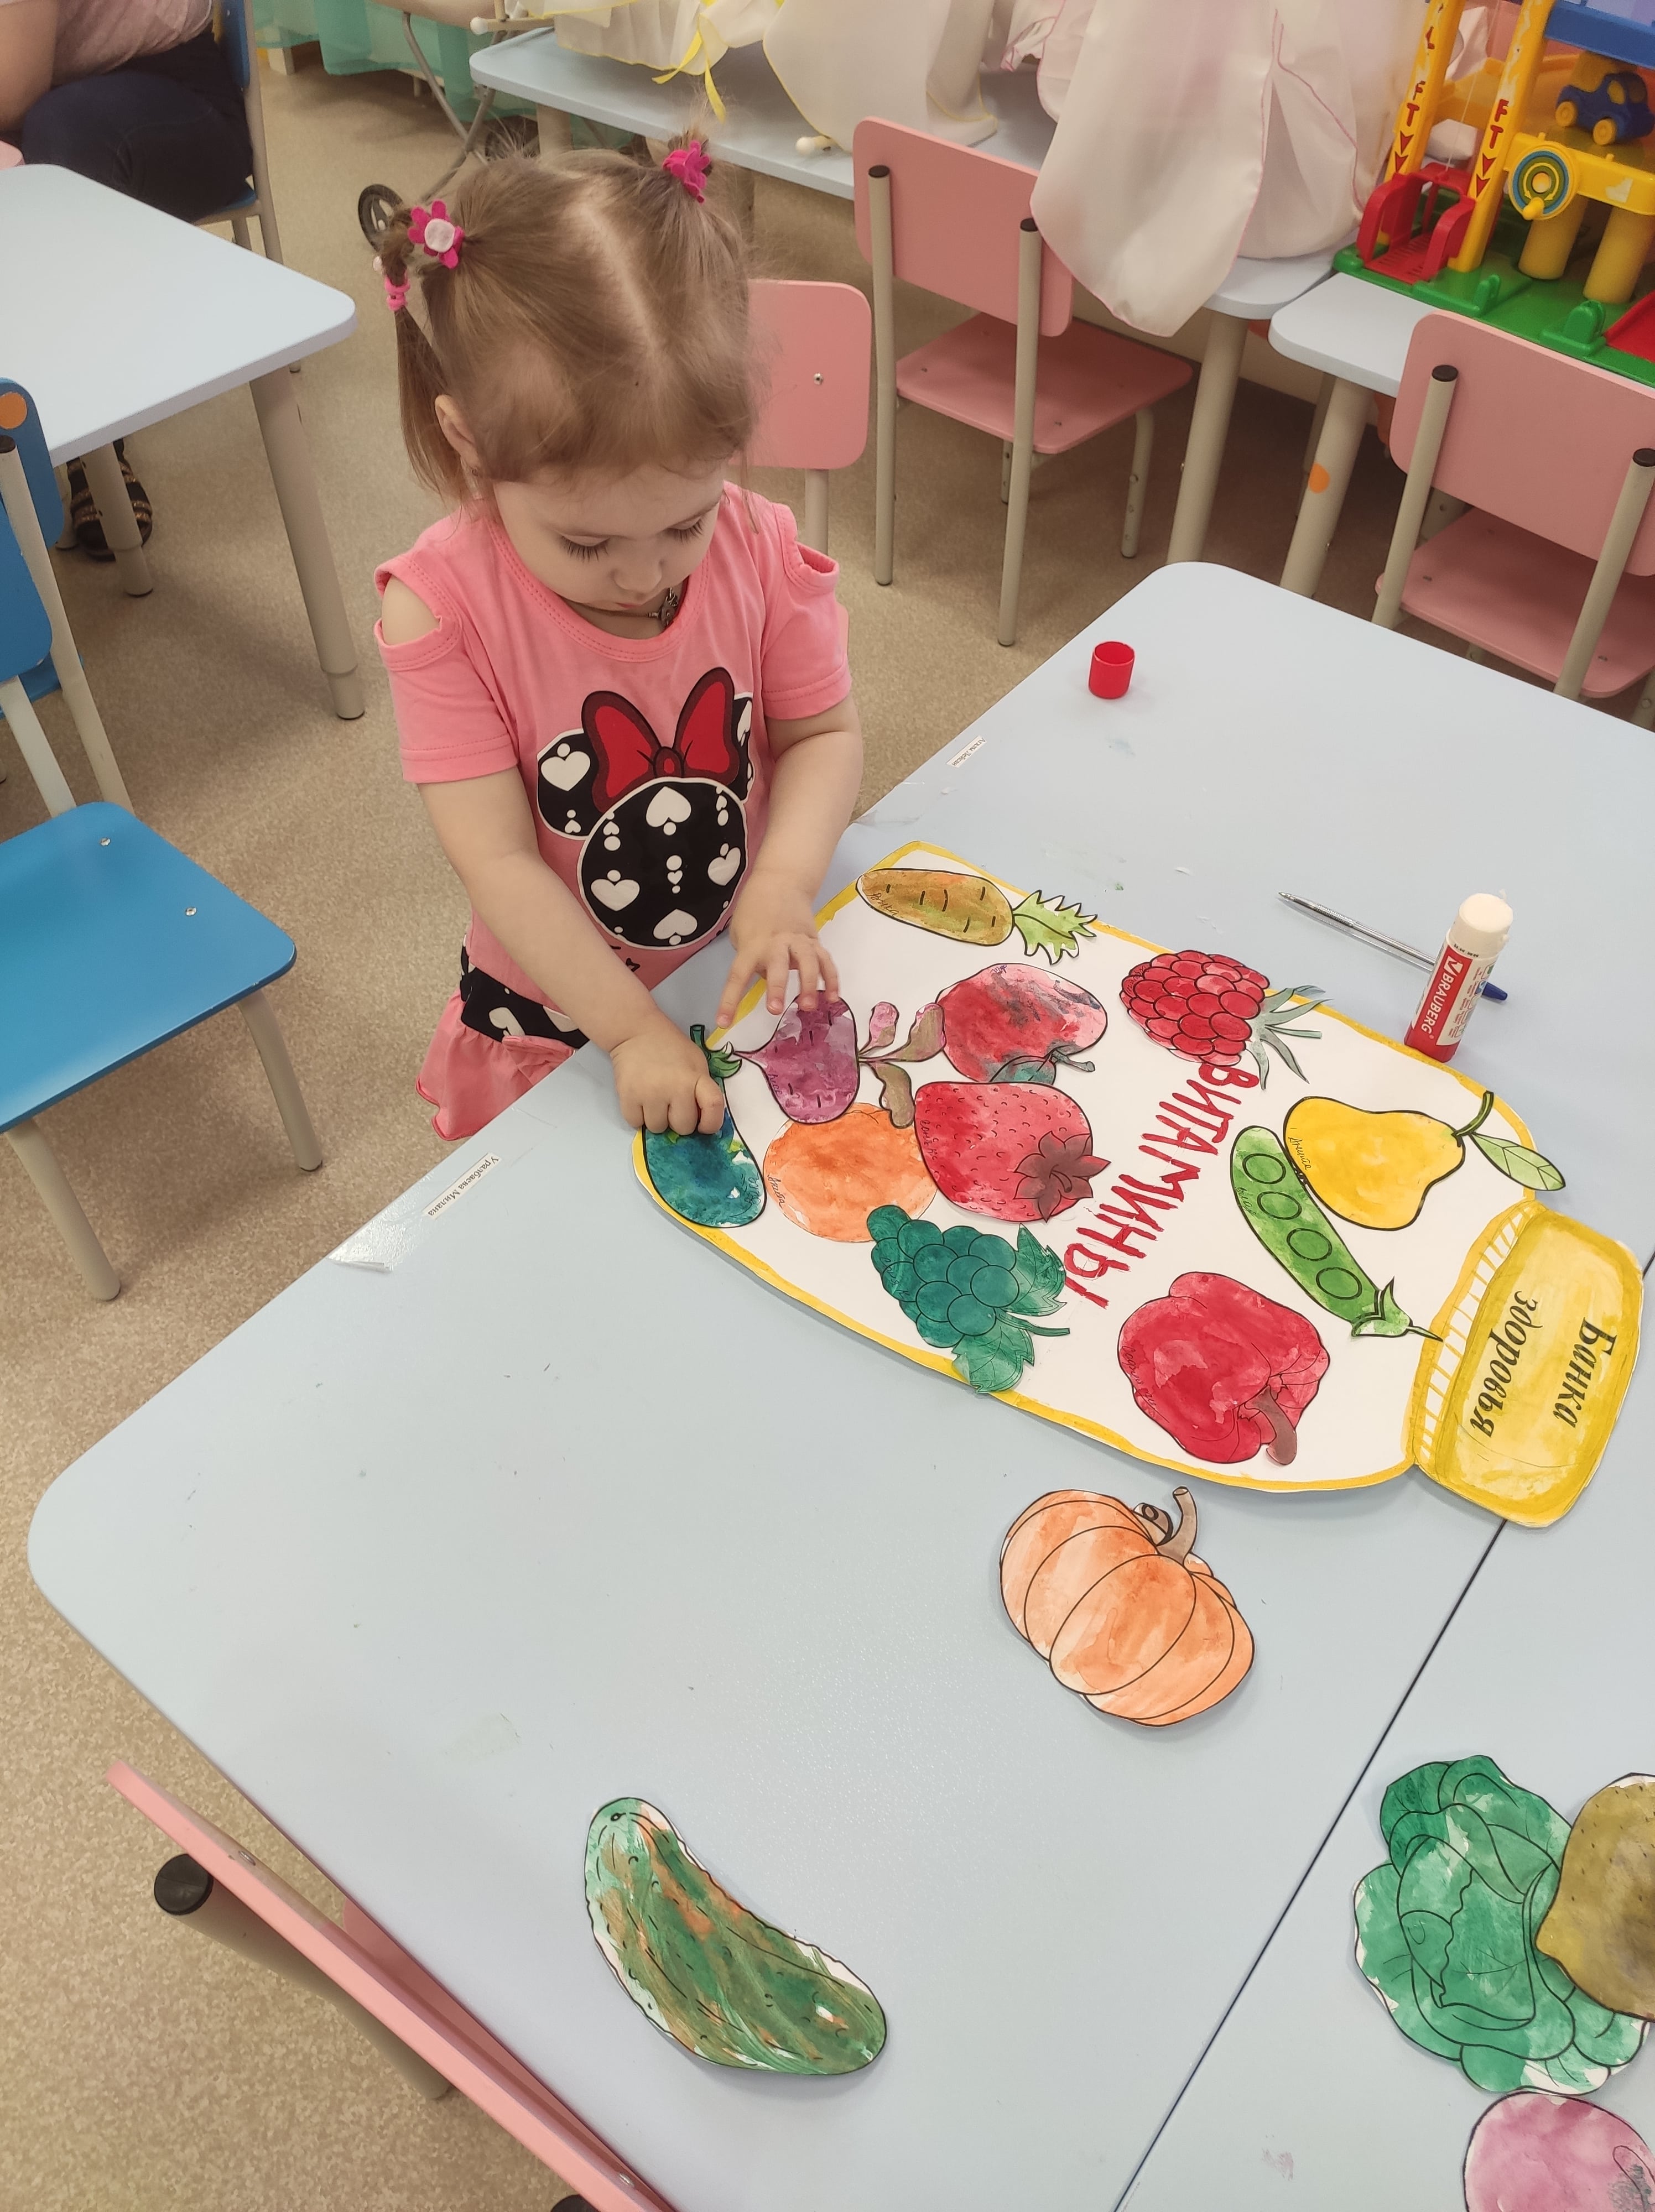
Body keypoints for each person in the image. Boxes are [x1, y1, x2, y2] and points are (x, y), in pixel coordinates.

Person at [373, 144, 863, 1145]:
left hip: (734, 960)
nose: (645, 575)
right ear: (469, 441)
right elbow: (501, 863)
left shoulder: (758, 544)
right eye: (588, 544)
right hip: (565, 1008)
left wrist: (780, 886)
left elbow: (822, 734)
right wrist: (633, 1032)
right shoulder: (441, 611)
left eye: (686, 522)